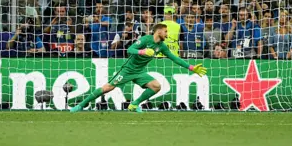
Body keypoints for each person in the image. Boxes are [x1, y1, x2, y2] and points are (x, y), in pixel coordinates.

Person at [70, 23, 207, 113]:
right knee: (107, 88)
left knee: (156, 86)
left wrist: (192, 67)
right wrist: (142, 51)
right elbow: (130, 49)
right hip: (128, 70)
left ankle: (134, 104)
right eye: (165, 31)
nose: (167, 34)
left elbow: (174, 58)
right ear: (158, 31)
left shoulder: (162, 46)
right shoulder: (146, 40)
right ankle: (81, 105)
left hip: (140, 72)